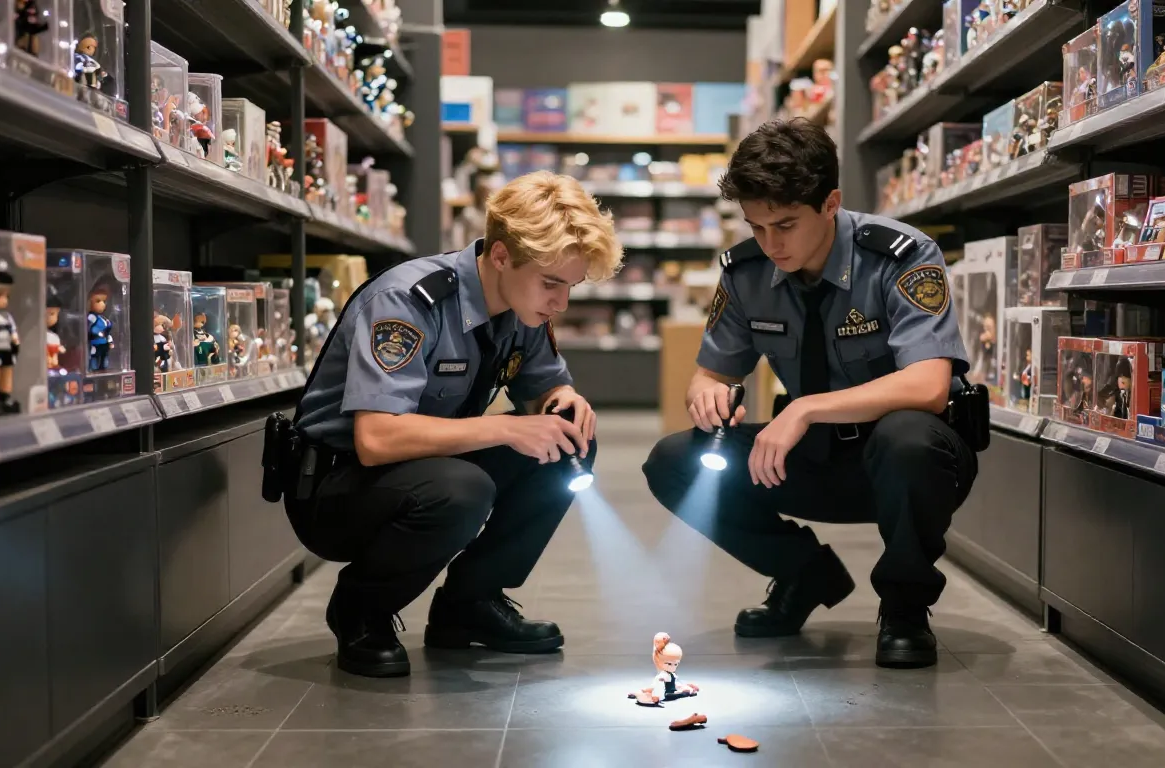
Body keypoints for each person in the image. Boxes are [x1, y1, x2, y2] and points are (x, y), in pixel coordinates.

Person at [642, 118, 979, 669]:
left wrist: (804, 407)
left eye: (785, 225)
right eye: (756, 227)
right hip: (811, 458)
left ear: (830, 203)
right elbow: (712, 372)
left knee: (908, 437)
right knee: (673, 461)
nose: (770, 243)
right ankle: (804, 576)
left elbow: (929, 385)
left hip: (905, 467)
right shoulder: (744, 272)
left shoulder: (902, 256)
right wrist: (708, 395)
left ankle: (904, 607)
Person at [284, 171, 623, 678]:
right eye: (552, 283)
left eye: (570, 287)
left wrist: (563, 399)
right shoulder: (408, 301)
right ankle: (360, 610)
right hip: (336, 488)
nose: (561, 303)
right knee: (461, 488)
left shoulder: (520, 307)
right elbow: (376, 439)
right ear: (502, 255)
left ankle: (470, 603)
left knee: (567, 443)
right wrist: (507, 429)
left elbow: (544, 387)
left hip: (425, 468)